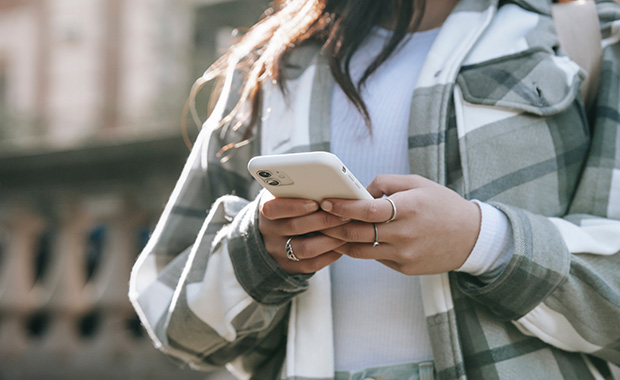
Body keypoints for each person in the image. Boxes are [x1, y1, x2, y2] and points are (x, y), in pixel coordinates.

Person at [129, 0, 620, 378]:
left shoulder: (588, 33)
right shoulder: (271, 65)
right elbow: (174, 322)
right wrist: (261, 253)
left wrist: (482, 241)